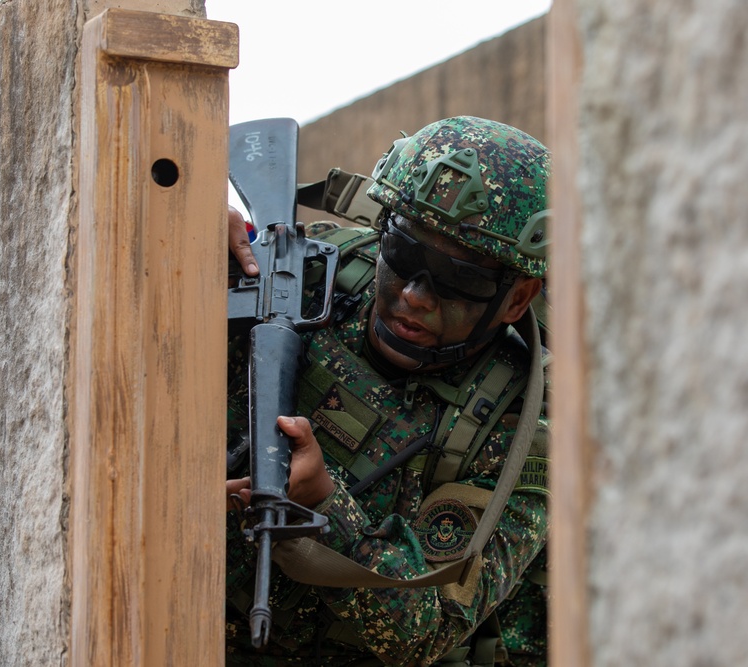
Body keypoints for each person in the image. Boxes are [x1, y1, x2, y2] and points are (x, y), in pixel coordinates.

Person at [224, 116, 551, 666]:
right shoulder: (309, 271)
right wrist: (191, 242)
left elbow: (425, 630)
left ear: (518, 299)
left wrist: (326, 509)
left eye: (460, 281)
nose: (416, 296)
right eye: (402, 255)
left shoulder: (523, 431)